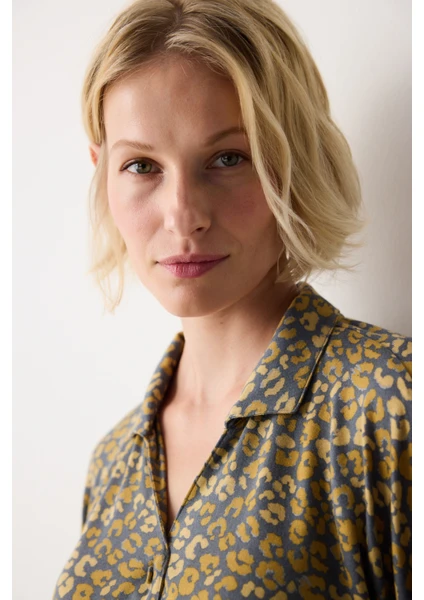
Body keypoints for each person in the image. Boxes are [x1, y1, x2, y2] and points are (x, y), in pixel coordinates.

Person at [52, 0, 412, 598]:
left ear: (291, 162)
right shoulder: (111, 463)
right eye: (141, 165)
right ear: (102, 172)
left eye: (227, 158)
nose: (183, 215)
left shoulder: (390, 404)